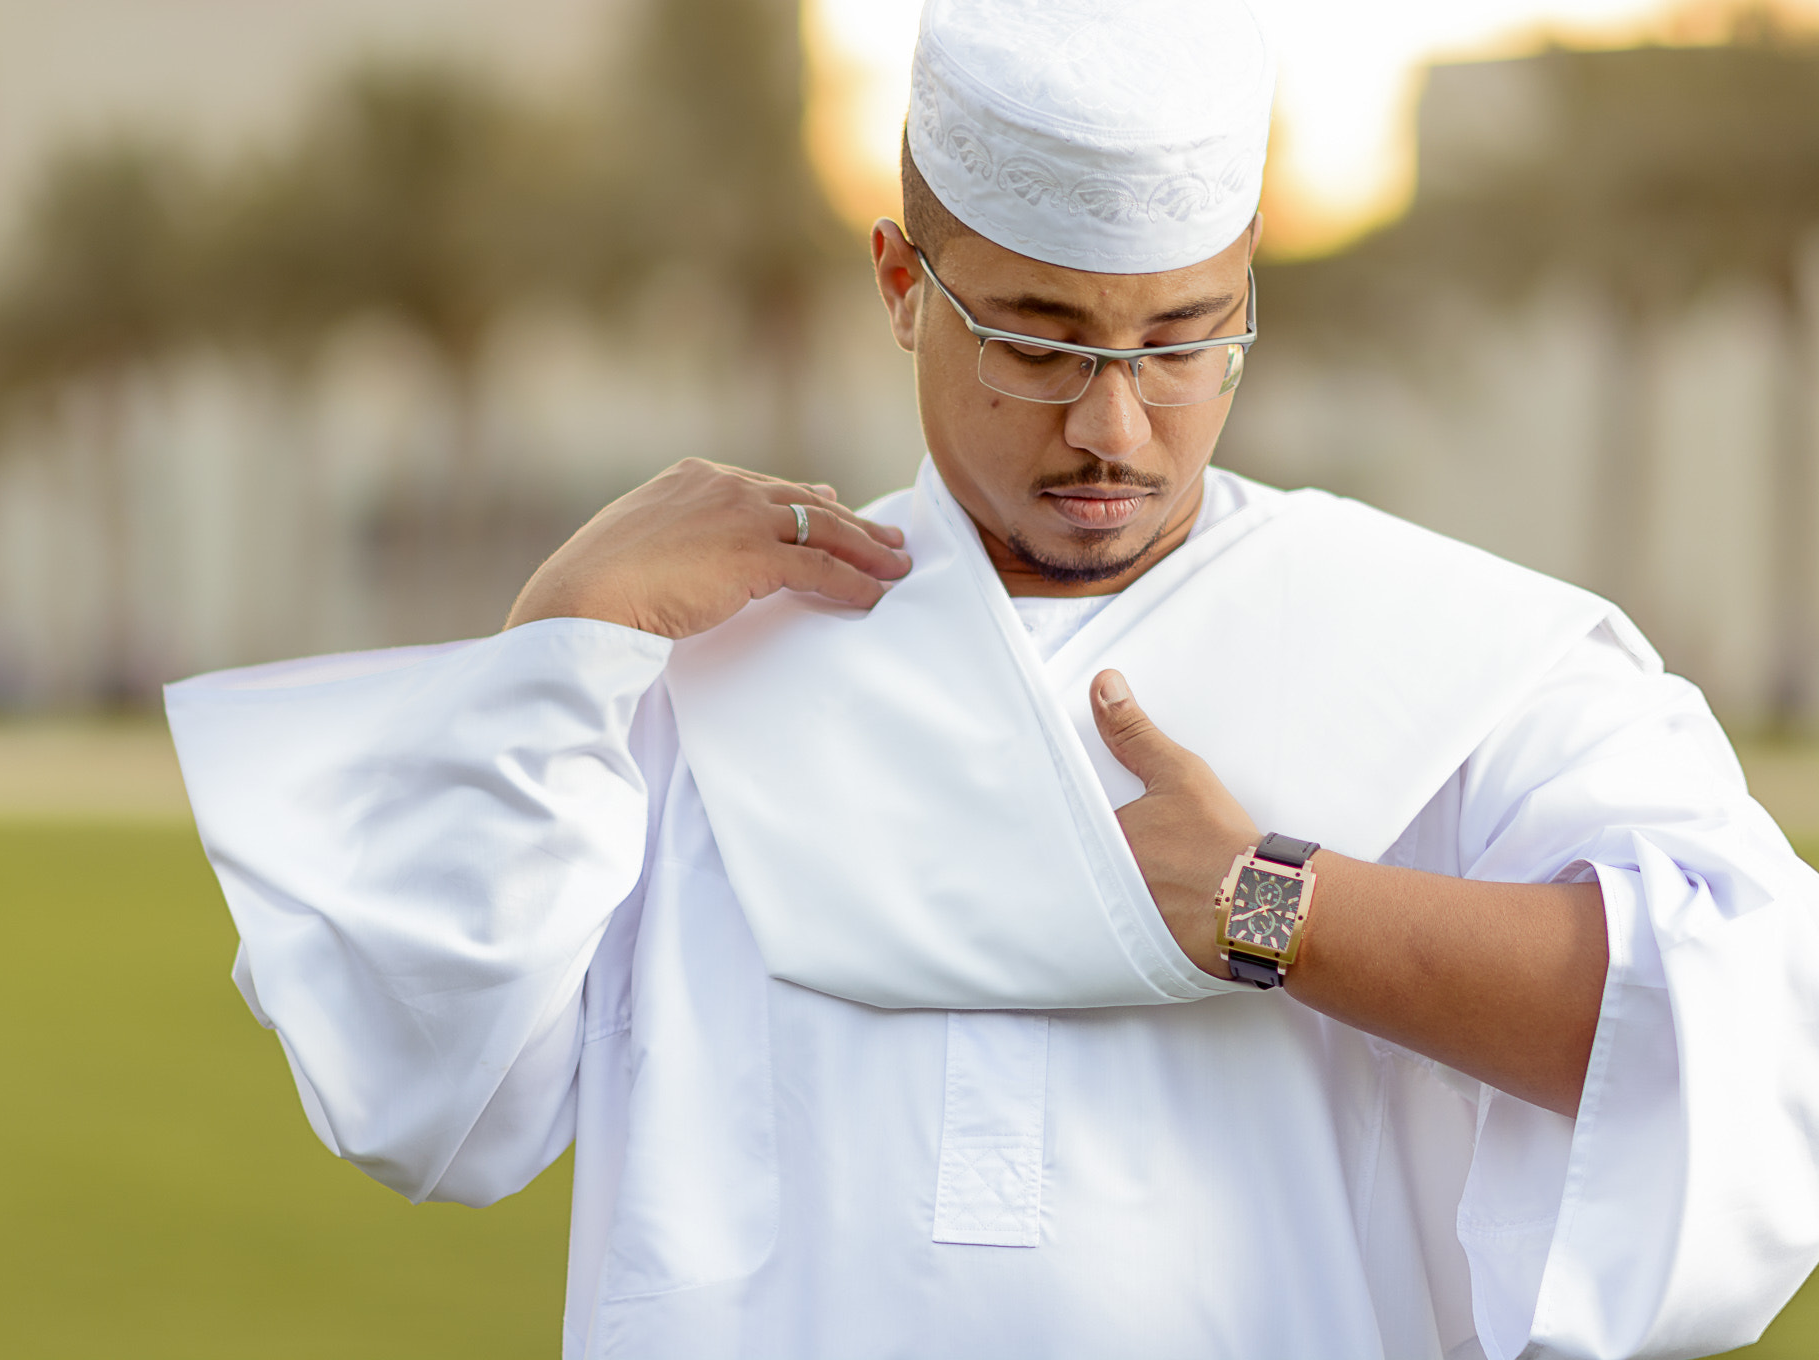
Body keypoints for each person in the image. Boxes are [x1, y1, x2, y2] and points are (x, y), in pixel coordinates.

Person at [166, 2, 1819, 1356]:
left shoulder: (1457, 659)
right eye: (1040, 341)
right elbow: (418, 1084)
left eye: (1185, 341)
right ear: (903, 285)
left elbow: (1758, 1047)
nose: (1116, 427)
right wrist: (562, 636)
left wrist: (1273, 909)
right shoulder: (699, 677)